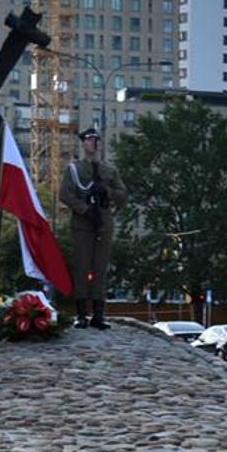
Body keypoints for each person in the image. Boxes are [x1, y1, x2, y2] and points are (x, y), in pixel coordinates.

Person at [59, 127, 126, 329]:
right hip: (82, 223)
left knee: (100, 268)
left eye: (96, 139)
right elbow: (65, 194)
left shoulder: (109, 171)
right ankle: (81, 314)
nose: (93, 143)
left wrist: (107, 190)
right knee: (82, 267)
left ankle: (98, 314)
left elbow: (123, 195)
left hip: (103, 223)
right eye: (89, 139)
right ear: (83, 143)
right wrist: (84, 209)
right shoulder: (75, 169)